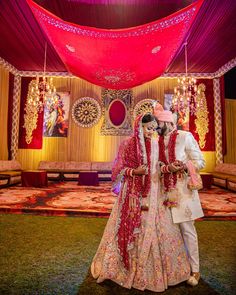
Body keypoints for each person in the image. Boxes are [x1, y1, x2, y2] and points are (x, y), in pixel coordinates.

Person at [91, 113, 190, 292]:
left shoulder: (156, 143)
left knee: (163, 228)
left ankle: (162, 272)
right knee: (134, 226)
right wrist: (134, 172)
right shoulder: (128, 144)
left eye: (154, 128)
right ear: (139, 127)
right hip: (134, 194)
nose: (152, 131)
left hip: (156, 193)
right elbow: (118, 170)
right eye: (148, 128)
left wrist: (169, 168)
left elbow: (159, 167)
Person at [154, 103, 205, 286]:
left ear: (167, 122)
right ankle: (173, 269)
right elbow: (156, 167)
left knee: (187, 230)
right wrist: (163, 168)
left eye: (158, 123)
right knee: (167, 232)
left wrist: (184, 166)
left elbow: (200, 161)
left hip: (183, 191)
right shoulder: (155, 141)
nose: (156, 127)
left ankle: (195, 270)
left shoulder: (185, 137)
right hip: (164, 191)